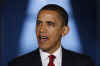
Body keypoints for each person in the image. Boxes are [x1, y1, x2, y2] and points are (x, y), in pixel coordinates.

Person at [8, 4, 94, 66]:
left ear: (64, 30)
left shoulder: (83, 63)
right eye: (39, 23)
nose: (41, 29)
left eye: (49, 24)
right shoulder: (17, 64)